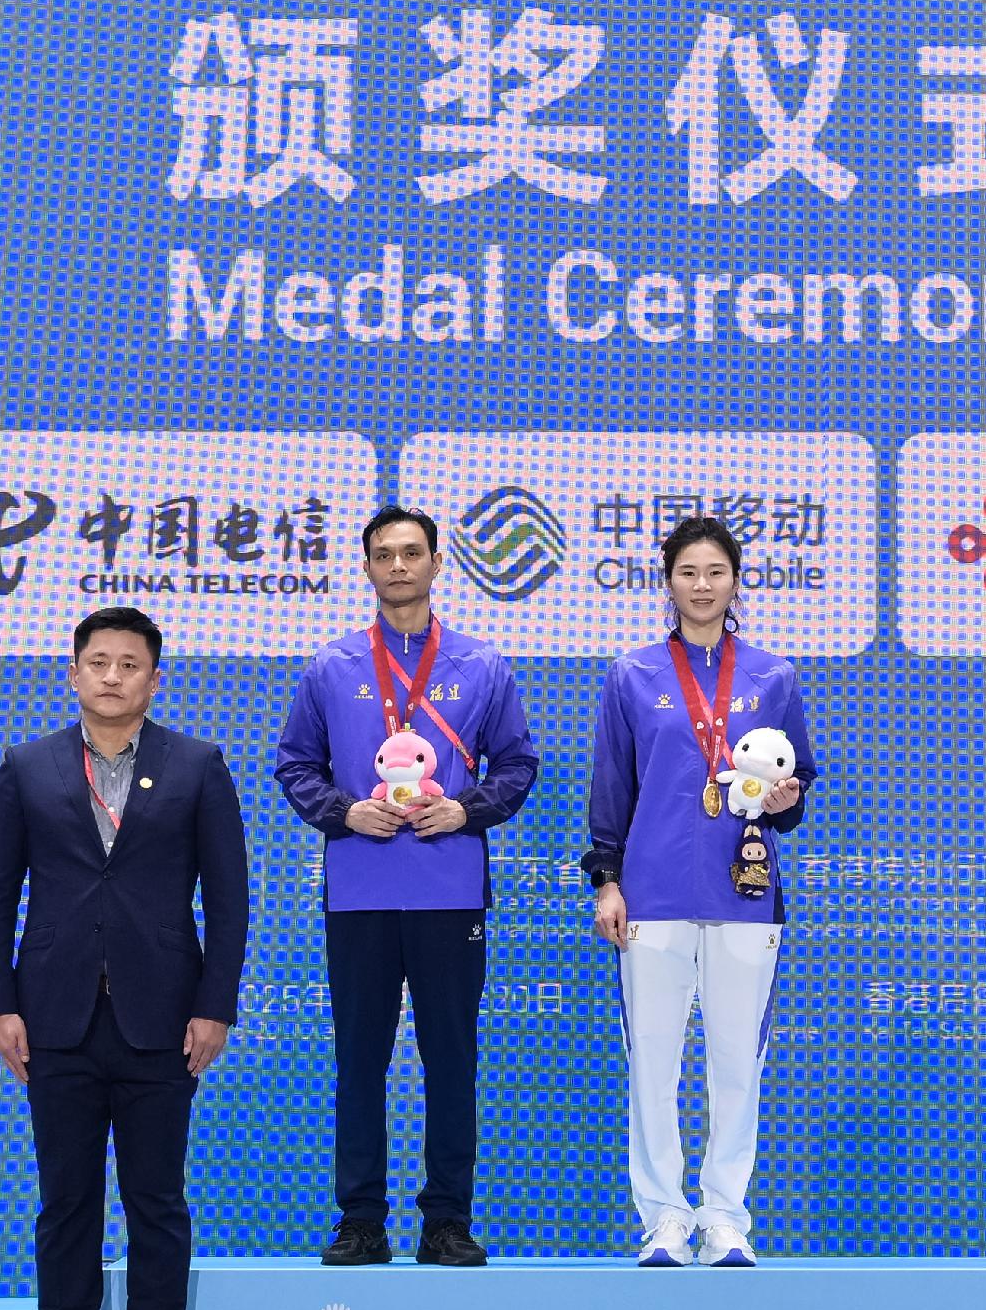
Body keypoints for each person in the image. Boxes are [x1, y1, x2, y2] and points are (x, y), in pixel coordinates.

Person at [0, 605, 249, 1310]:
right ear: (74, 672)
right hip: (54, 1016)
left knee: (156, 1202)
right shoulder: (28, 767)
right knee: (66, 1204)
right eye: (98, 662)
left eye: (130, 664)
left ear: (153, 678)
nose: (113, 676)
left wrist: (214, 1005)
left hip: (163, 1018)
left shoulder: (198, 765)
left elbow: (229, 899)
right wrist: (0, 1003)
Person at [273, 504, 540, 1269]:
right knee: (359, 1059)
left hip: (449, 887)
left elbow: (517, 766)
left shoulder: (481, 665)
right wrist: (341, 811)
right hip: (358, 890)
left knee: (450, 1058)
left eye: (411, 552)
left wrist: (467, 807)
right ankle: (361, 1220)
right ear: (366, 568)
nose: (398, 565)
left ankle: (446, 1221)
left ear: (435, 563)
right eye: (383, 554)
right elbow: (295, 764)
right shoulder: (331, 666)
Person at [585, 513, 818, 1267]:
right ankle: (663, 1218)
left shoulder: (772, 676)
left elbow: (798, 778)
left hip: (744, 890)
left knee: (734, 1061)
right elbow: (612, 786)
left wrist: (788, 800)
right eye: (688, 572)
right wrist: (608, 881)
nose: (702, 586)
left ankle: (725, 1218)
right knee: (652, 1058)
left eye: (715, 572)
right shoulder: (633, 675)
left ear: (735, 580)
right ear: (669, 582)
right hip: (649, 892)